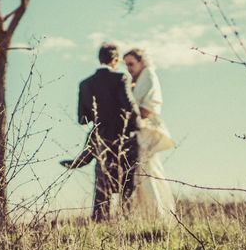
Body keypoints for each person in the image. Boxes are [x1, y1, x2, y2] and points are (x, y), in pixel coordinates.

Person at [61, 43, 140, 221]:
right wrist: (138, 126)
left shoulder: (85, 84)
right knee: (127, 182)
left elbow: (82, 119)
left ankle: (99, 220)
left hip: (100, 137)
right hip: (123, 137)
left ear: (99, 59)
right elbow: (130, 106)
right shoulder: (122, 78)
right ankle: (126, 219)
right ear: (116, 60)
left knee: (102, 184)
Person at [123, 48, 176, 220]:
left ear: (142, 61)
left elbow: (150, 107)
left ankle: (159, 216)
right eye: (126, 65)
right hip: (139, 132)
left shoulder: (149, 76)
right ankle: (149, 217)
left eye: (131, 64)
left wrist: (132, 118)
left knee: (148, 174)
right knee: (142, 175)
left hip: (146, 132)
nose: (129, 68)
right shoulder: (138, 80)